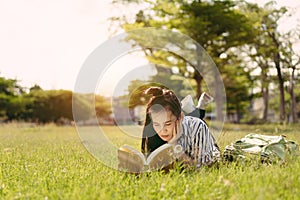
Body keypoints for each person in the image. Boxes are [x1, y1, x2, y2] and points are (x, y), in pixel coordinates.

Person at [141, 87, 220, 169]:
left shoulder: (197, 127)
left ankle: (199, 108)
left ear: (181, 117)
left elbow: (203, 168)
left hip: (212, 154)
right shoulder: (153, 132)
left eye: (168, 124)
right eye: (156, 124)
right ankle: (196, 108)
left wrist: (174, 144)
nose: (162, 130)